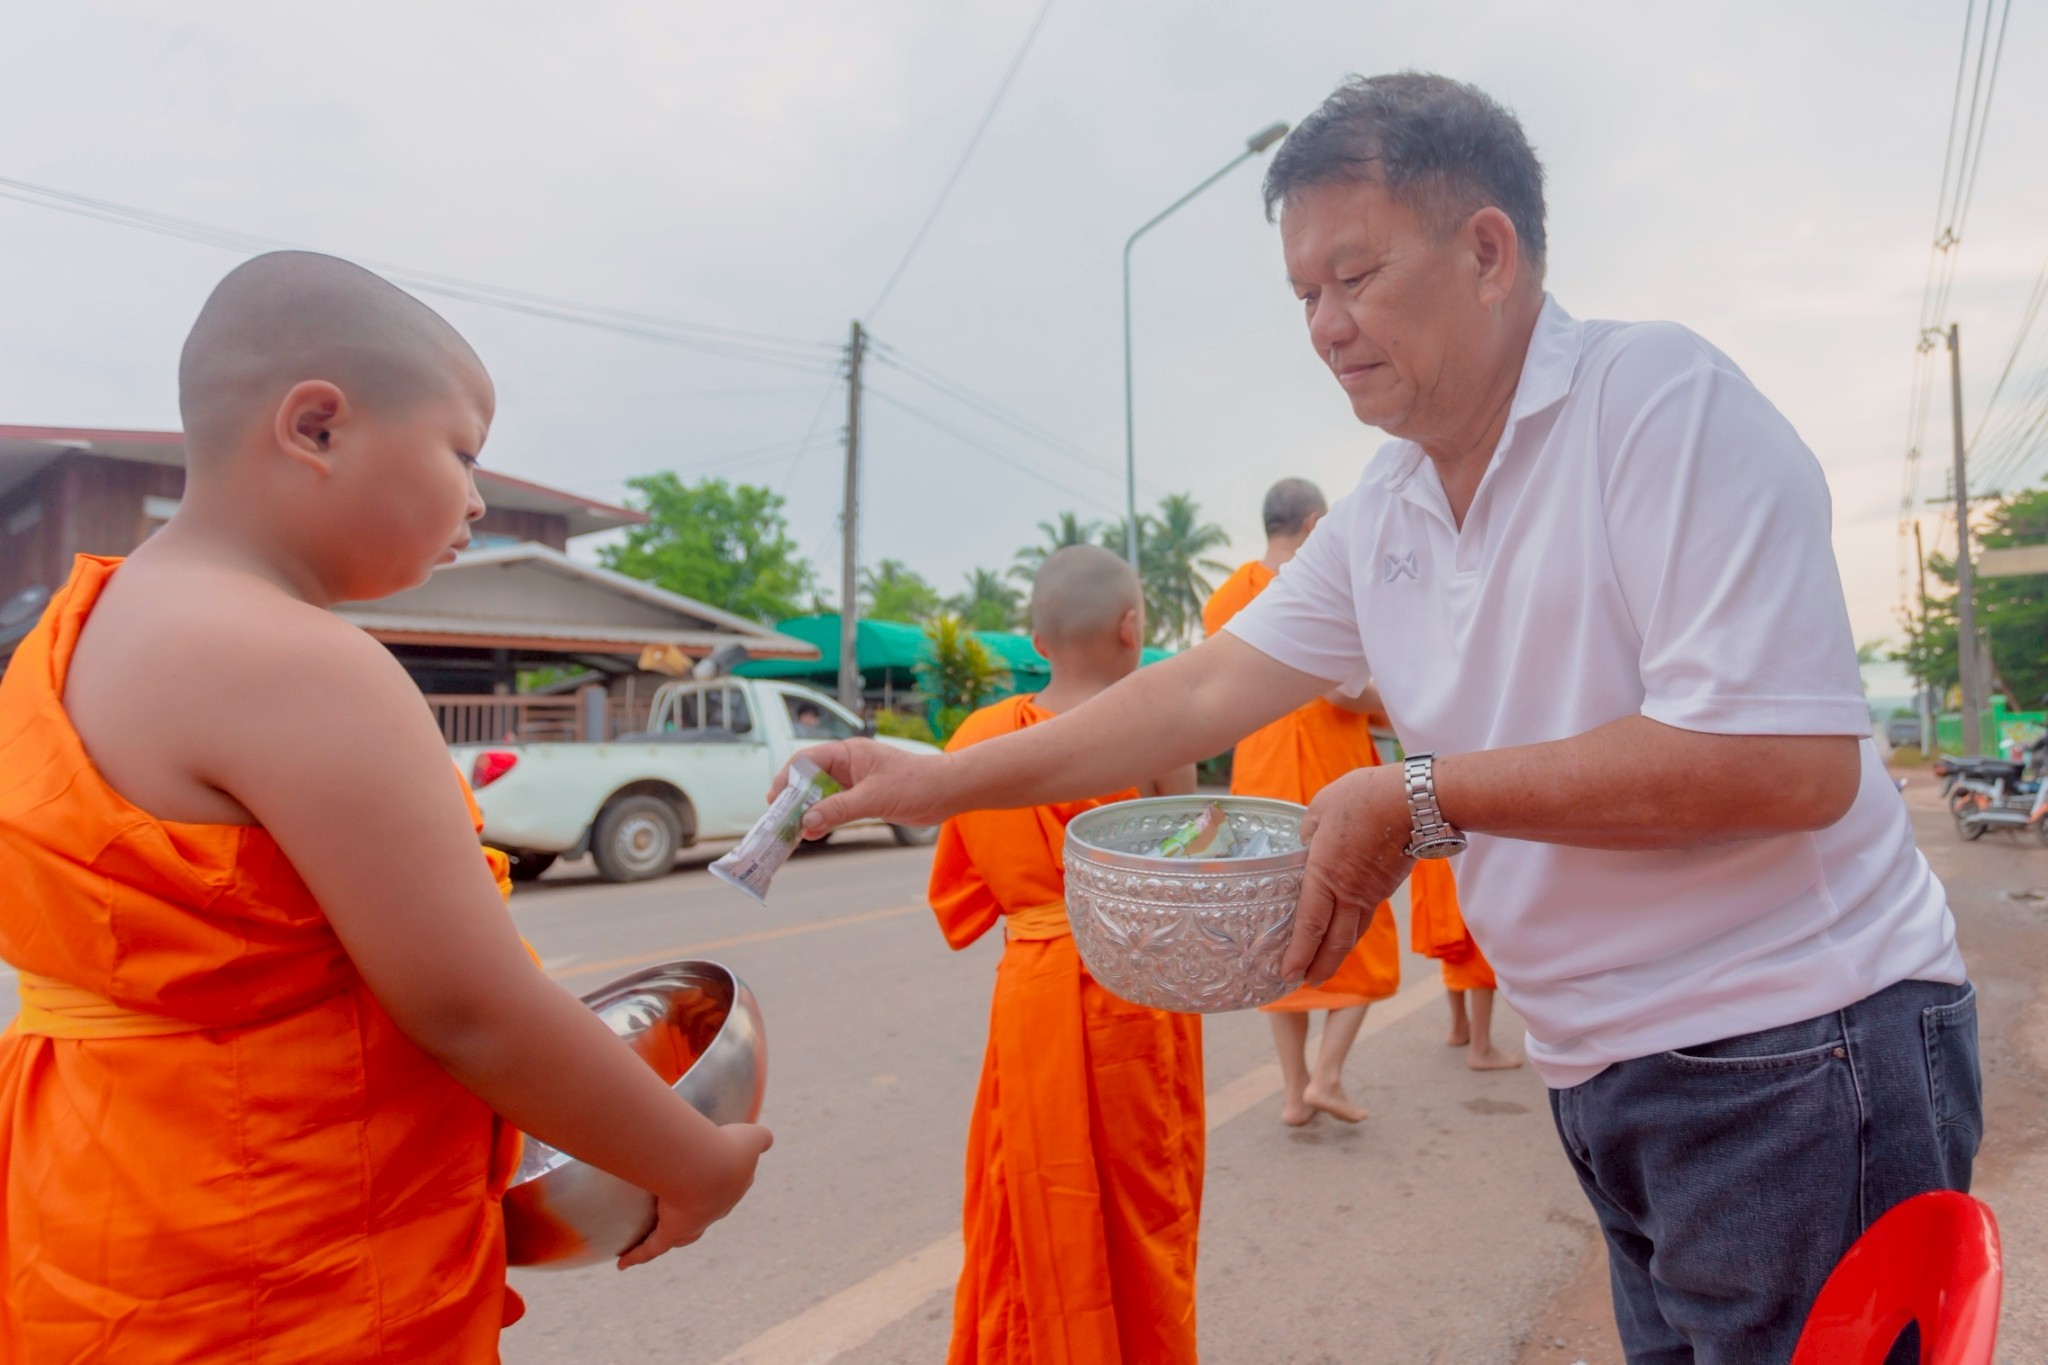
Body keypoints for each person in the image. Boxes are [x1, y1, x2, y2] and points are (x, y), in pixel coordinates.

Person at [787, 73, 1976, 1361]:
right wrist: (936, 779)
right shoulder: (1389, 508)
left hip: (1796, 1048)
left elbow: (1780, 763)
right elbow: (1192, 691)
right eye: (1303, 293)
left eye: (1353, 274)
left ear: (1484, 251)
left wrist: (1418, 796)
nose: (1325, 323)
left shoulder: (1656, 406)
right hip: (1600, 1069)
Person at [0, 252, 772, 1359]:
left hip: (102, 1203)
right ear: (316, 427)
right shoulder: (303, 663)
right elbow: (469, 1010)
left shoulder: (74, 636)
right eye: (462, 452)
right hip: (266, 1242)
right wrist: (691, 1163)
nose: (475, 499)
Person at [930, 545, 1205, 1364]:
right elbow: (1187, 874)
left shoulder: (981, 739)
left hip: (1032, 995)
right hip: (1135, 991)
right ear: (1132, 628)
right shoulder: (1156, 728)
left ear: (1037, 642)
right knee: (1141, 1203)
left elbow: (962, 891)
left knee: (1030, 1195)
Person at [1202, 477, 1400, 1125]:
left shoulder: (1226, 597)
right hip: (1328, 777)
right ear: (1315, 524)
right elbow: (1345, 694)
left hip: (1260, 781)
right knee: (1358, 917)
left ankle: (1293, 1093)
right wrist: (1399, 698)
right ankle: (1329, 1075)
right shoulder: (1316, 584)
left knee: (1276, 931)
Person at [1407, 860, 1519, 1070]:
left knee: (1453, 944)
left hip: (1435, 856)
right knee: (1478, 954)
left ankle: (1459, 1027)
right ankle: (1481, 1048)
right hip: (1461, 855)